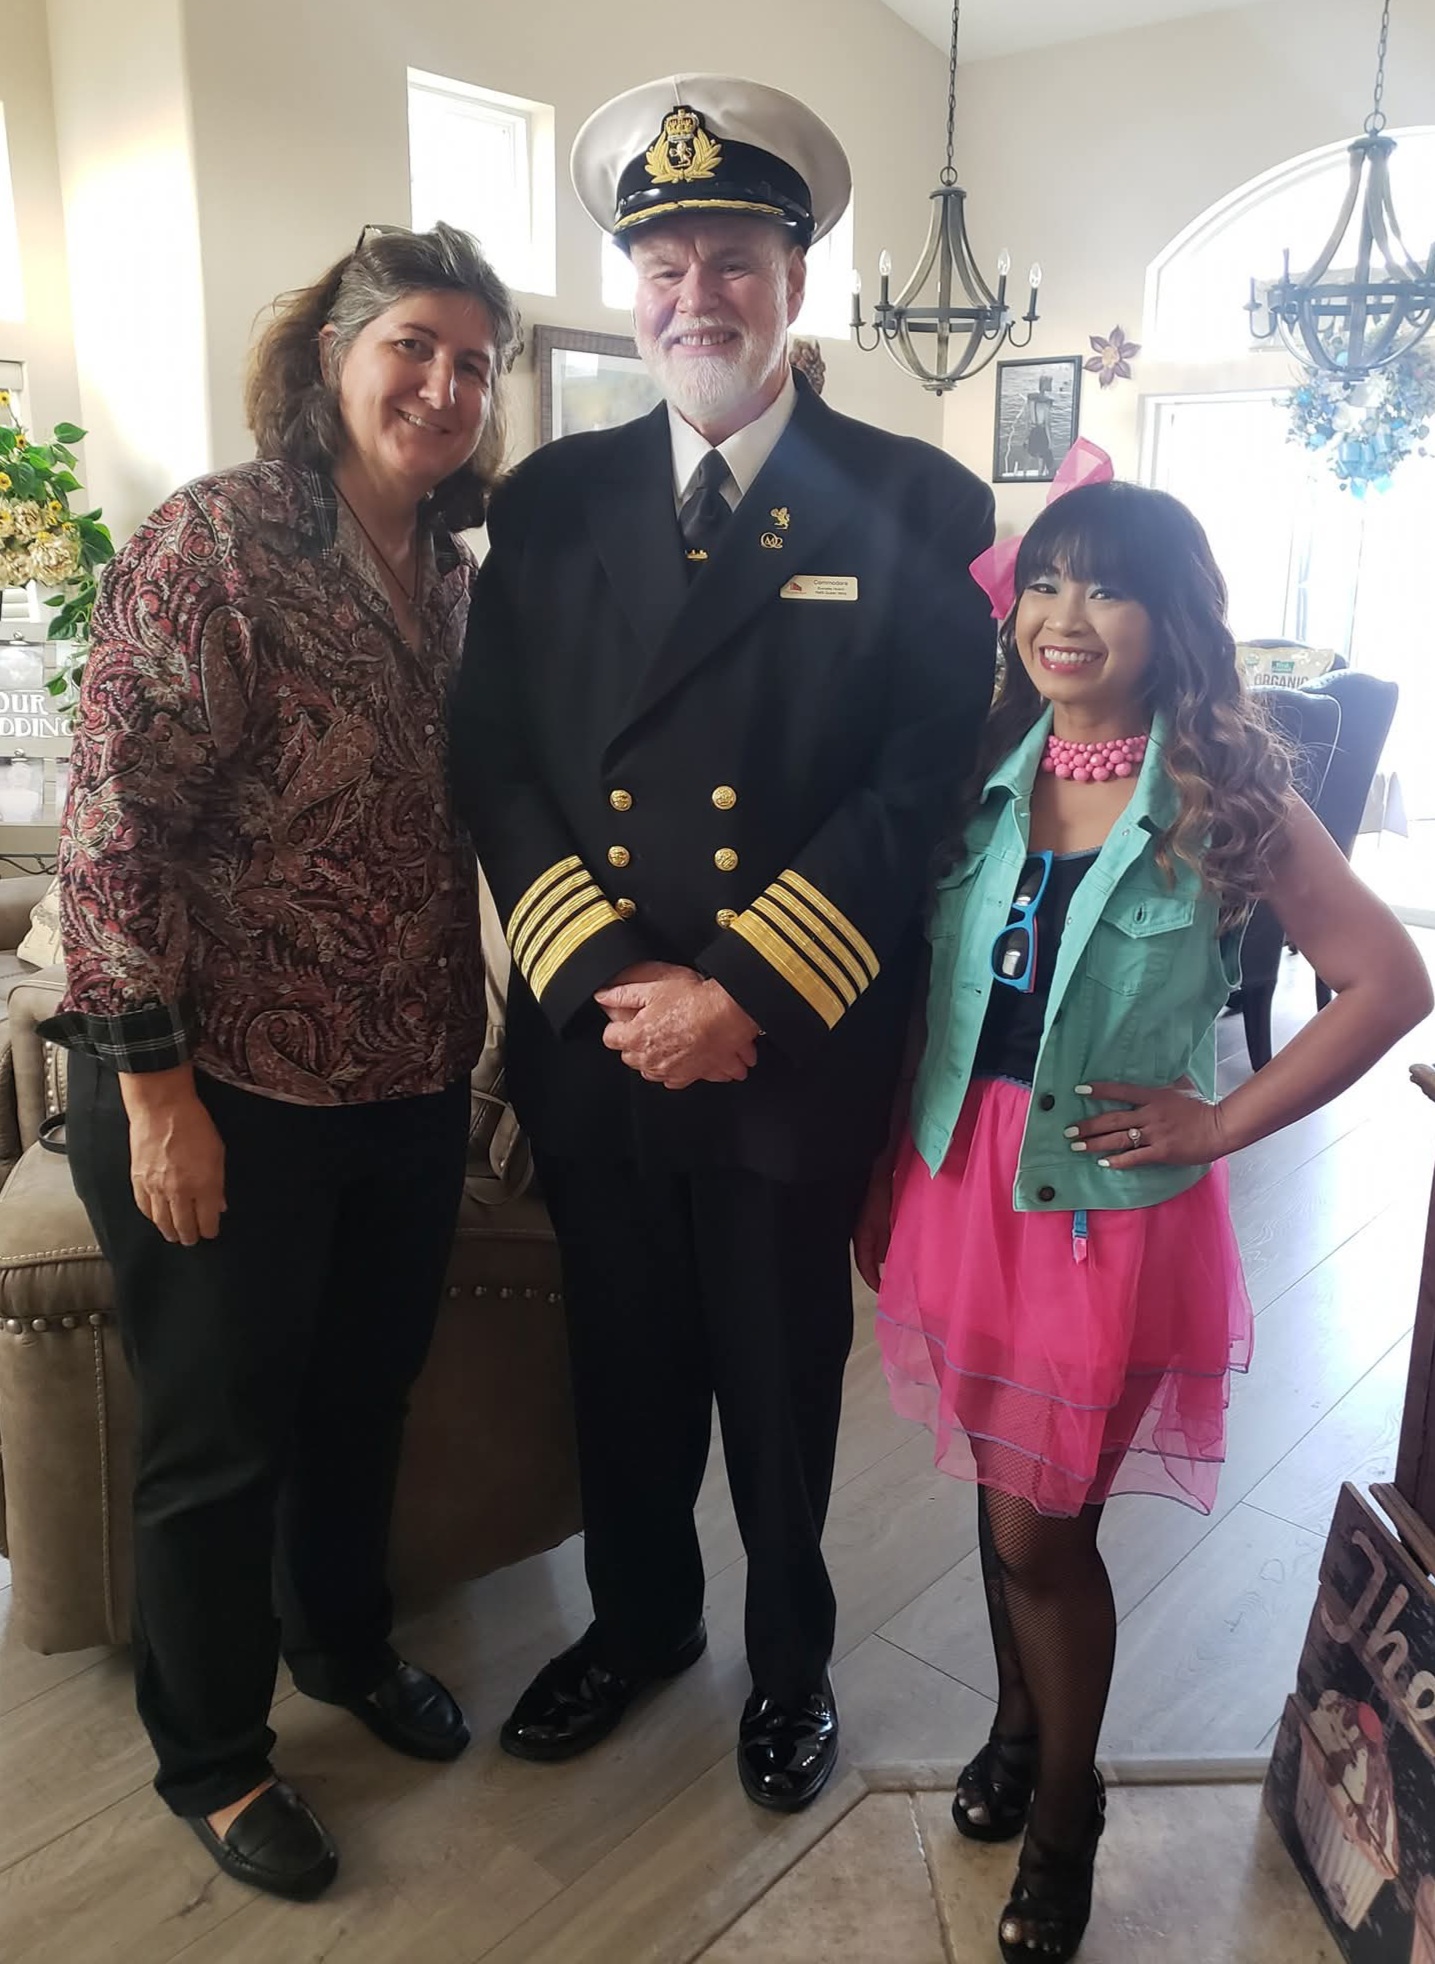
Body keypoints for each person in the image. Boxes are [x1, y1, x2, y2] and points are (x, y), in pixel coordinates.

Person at [453, 76, 996, 1812]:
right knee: (619, 1360)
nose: (699, 291)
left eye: (736, 256)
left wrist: (738, 990)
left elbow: (920, 786)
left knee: (776, 1382)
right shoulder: (544, 505)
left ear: (796, 276)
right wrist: (622, 986)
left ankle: (791, 1663)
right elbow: (501, 759)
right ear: (633, 288)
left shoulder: (911, 501)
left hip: (782, 1042)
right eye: (666, 260)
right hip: (603, 1031)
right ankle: (638, 1629)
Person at [854, 448, 1432, 1962]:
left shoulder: (1220, 793)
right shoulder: (986, 772)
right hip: (962, 1185)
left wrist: (1224, 1117)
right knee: (1004, 1494)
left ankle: (1066, 1818)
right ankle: (1009, 1731)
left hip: (1106, 1213)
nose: (1066, 611)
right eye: (1046, 577)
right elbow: (936, 1006)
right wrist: (883, 1178)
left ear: (1172, 620)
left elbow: (1389, 981)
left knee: (1047, 1538)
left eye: (1108, 584)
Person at [43, 222, 521, 1901]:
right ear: (329, 354)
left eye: (475, 361)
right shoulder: (218, 545)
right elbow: (110, 838)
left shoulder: (457, 578)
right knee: (219, 1435)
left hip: (399, 1078)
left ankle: (341, 1646)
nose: (445, 385)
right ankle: (215, 1756)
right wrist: (157, 1097)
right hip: (219, 1086)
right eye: (413, 344)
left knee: (360, 1398)